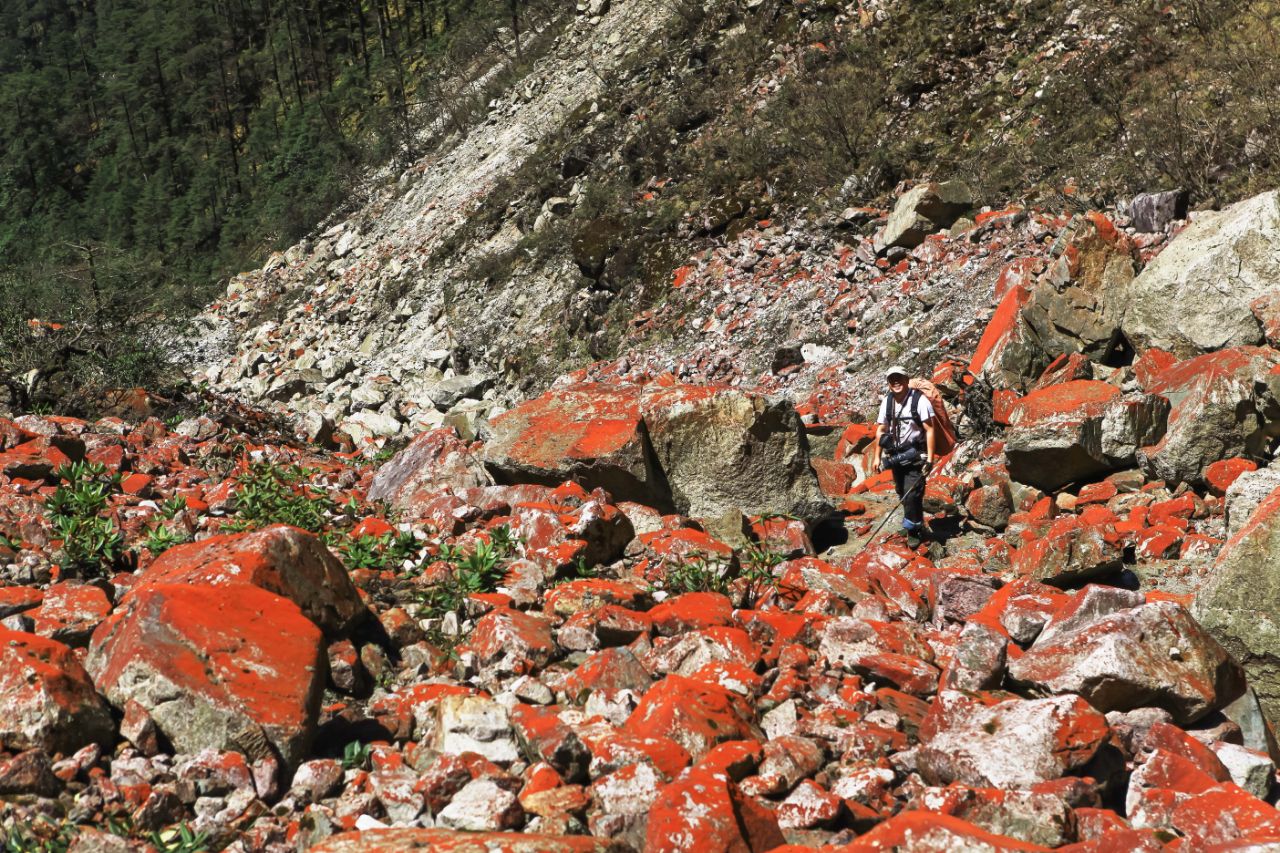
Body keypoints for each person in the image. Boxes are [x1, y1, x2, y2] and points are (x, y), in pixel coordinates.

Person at [868, 365, 937, 547]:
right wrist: (877, 457)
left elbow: (930, 430)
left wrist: (930, 459)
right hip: (897, 454)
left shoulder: (920, 401)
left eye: (899, 378)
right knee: (901, 490)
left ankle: (914, 529)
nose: (896, 382)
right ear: (889, 383)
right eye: (892, 379)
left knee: (912, 493)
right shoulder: (888, 402)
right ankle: (912, 522)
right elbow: (881, 430)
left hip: (916, 454)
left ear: (907, 380)